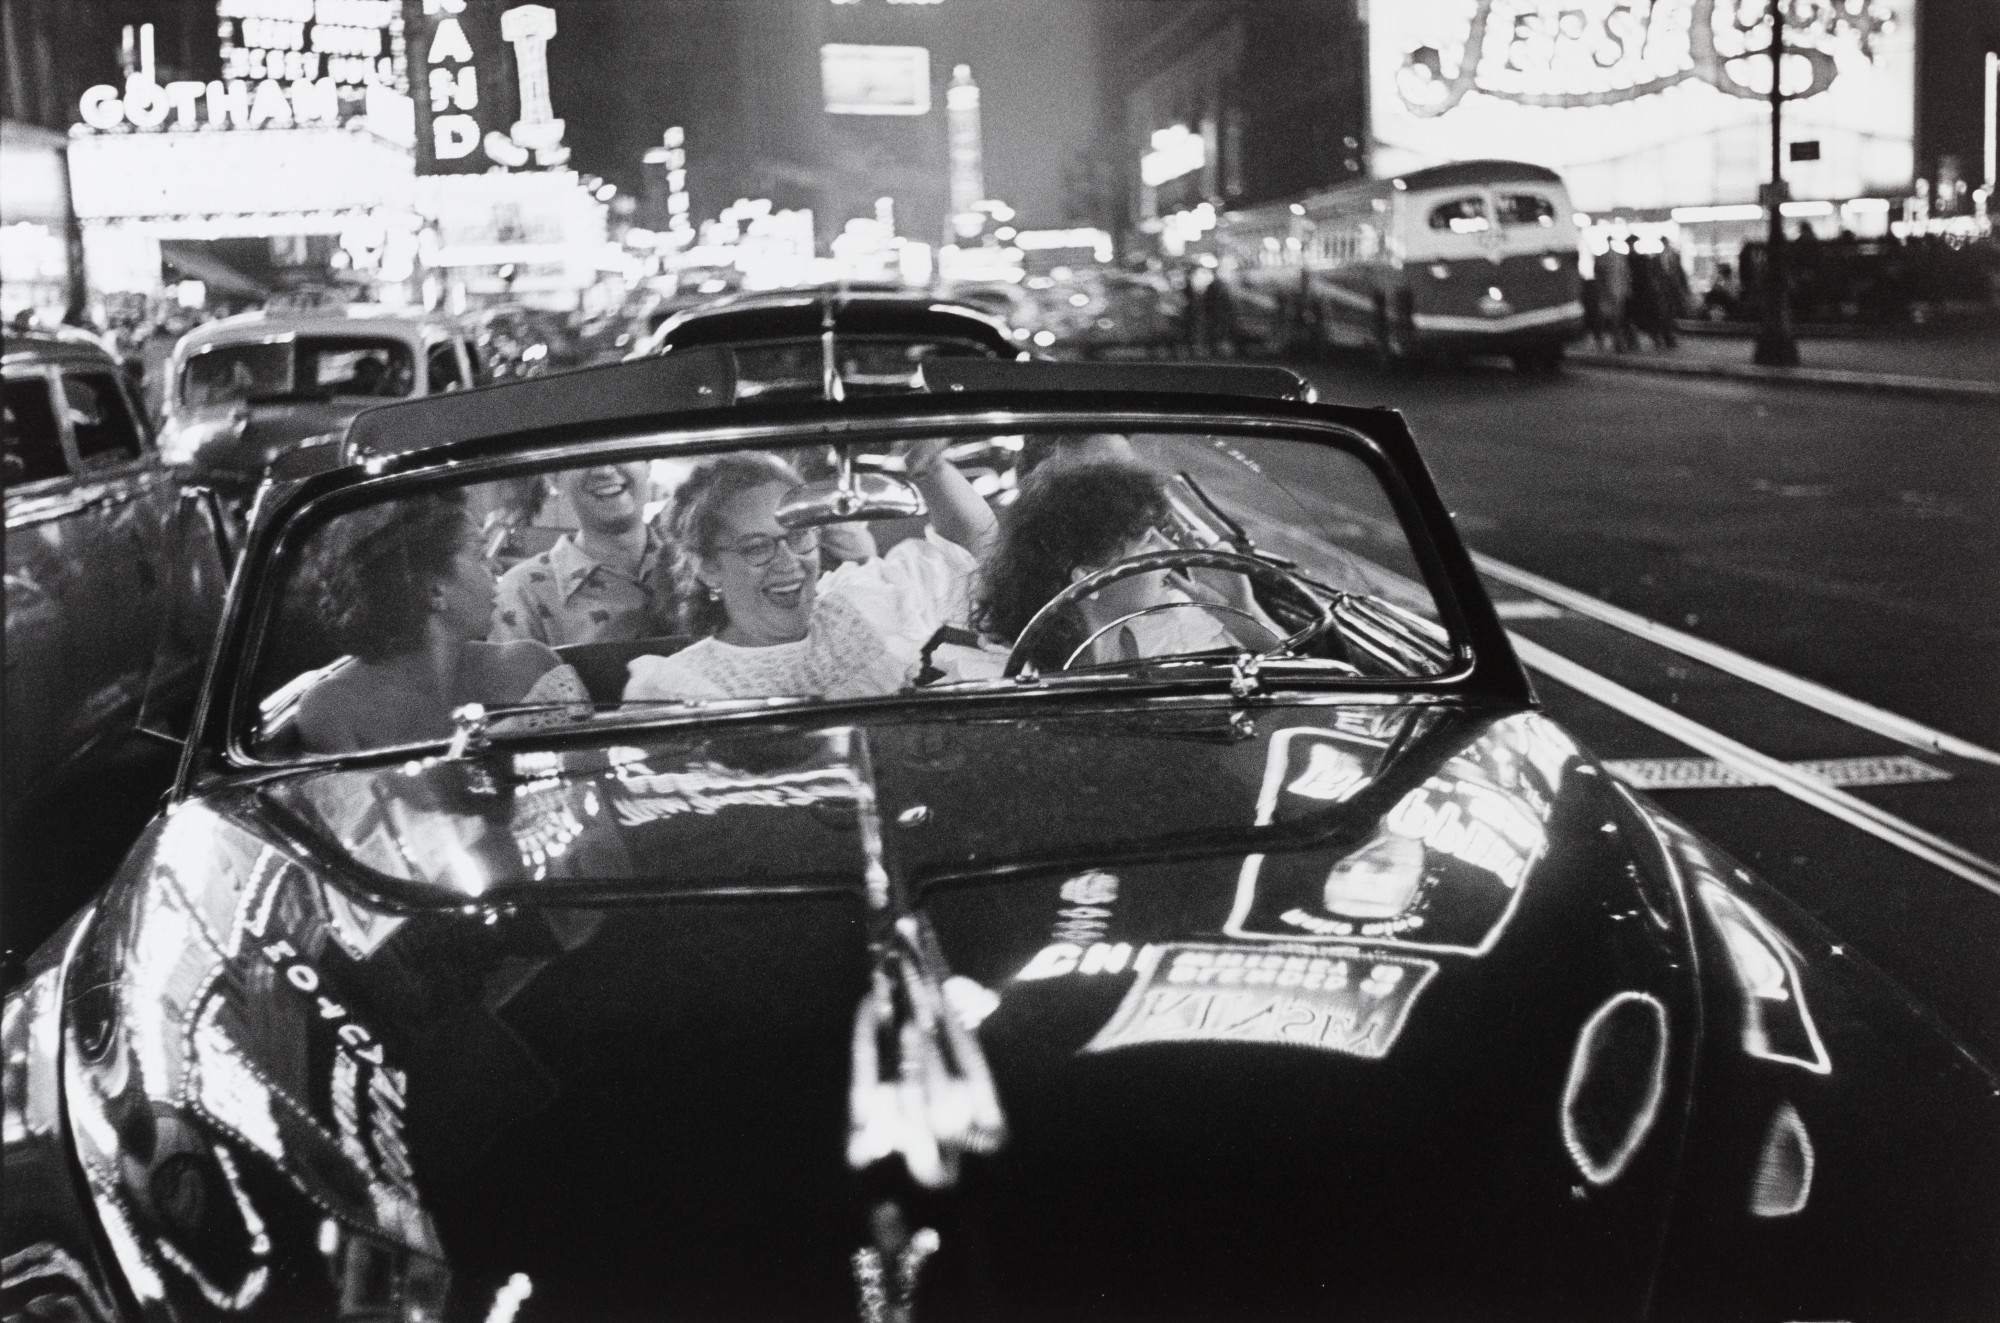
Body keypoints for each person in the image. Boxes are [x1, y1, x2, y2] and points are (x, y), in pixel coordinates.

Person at [623, 439, 997, 702]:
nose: (789, 563)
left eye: (799, 536)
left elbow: (971, 551)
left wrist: (929, 467)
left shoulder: (858, 605)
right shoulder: (675, 686)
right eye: (757, 547)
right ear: (708, 570)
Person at [296, 496, 587, 753]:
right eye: (479, 556)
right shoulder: (332, 708)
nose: (497, 569)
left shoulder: (532, 667)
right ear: (435, 589)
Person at [975, 458, 1282, 672]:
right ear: (1088, 579)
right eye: (1148, 542)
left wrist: (1239, 610)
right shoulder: (1015, 674)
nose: (1170, 550)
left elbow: (1295, 677)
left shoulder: (1152, 633)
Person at [492, 461, 684, 647]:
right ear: (555, 478)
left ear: (647, 464)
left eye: (620, 450)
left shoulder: (696, 566)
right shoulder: (521, 592)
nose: (605, 470)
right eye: (585, 458)